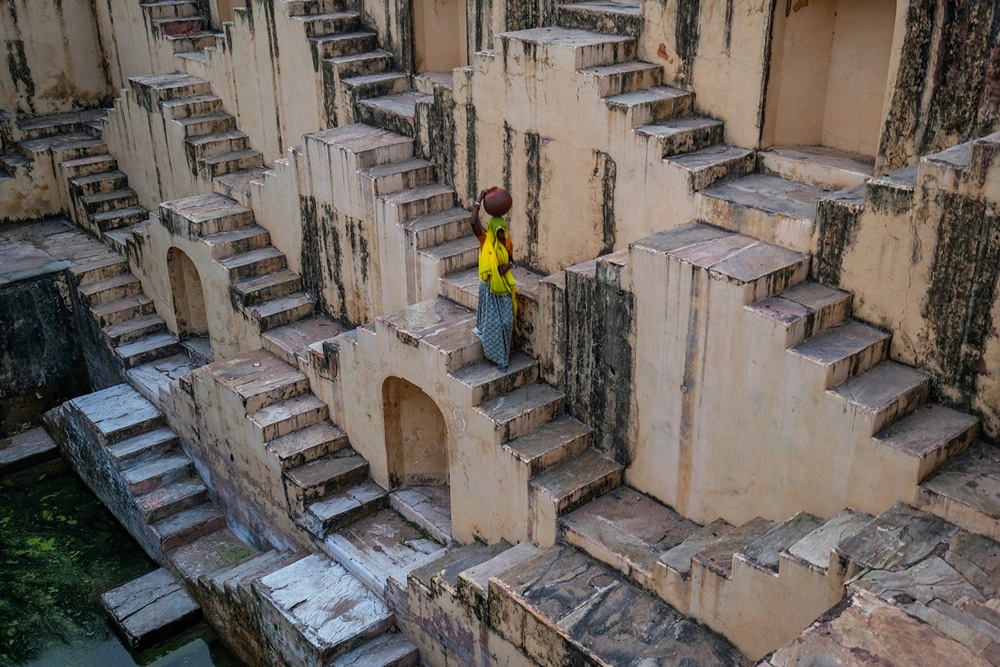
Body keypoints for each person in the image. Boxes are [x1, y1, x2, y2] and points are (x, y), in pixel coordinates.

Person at [470, 186, 517, 372]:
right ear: (492, 229)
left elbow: (512, 261)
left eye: (502, 231)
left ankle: (503, 353)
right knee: (492, 325)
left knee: (506, 322)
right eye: (497, 231)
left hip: (503, 287)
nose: (500, 234)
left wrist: (509, 266)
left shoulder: (507, 243)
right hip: (489, 288)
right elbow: (473, 222)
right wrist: (479, 199)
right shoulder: (485, 240)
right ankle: (500, 359)